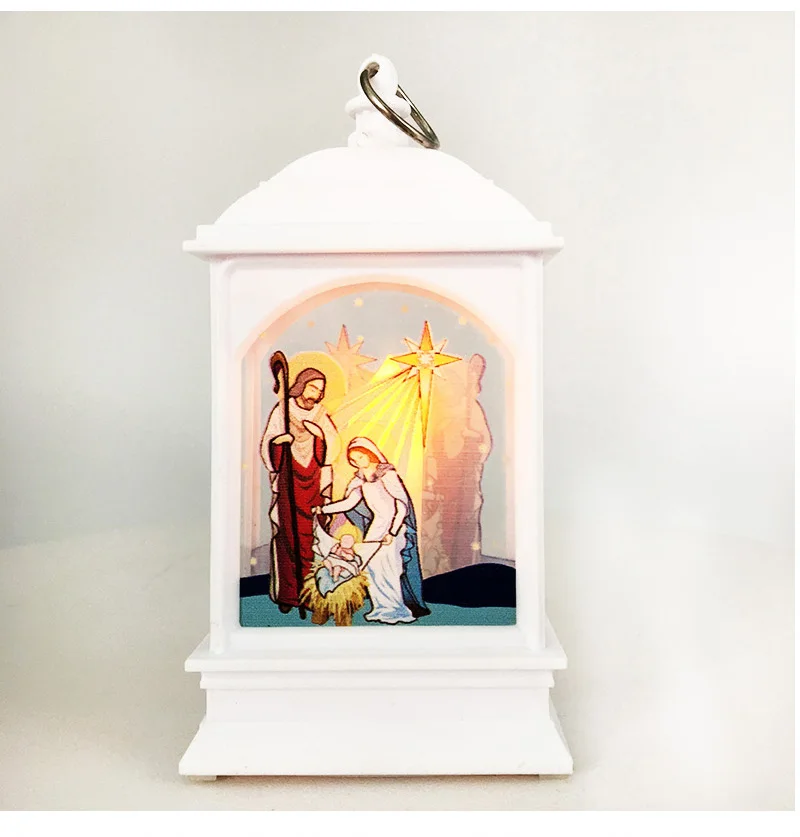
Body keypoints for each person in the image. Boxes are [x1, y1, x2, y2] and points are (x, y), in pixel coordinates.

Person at [315, 437, 430, 625]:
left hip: (391, 528)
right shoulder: (359, 479)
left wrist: (392, 532)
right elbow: (349, 503)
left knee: (389, 568)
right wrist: (323, 509)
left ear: (369, 454)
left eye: (360, 457)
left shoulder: (387, 474)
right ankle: (381, 607)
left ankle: (396, 609)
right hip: (376, 528)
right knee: (372, 568)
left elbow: (401, 505)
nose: (358, 462)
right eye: (353, 460)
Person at [260, 367, 340, 614]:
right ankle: (288, 595)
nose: (317, 393)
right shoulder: (282, 411)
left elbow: (332, 448)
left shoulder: (321, 414)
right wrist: (278, 443)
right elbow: (269, 443)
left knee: (311, 541)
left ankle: (309, 595)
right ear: (301, 386)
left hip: (313, 486)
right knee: (287, 539)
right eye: (313, 387)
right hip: (289, 484)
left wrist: (319, 437)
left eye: (321, 390)